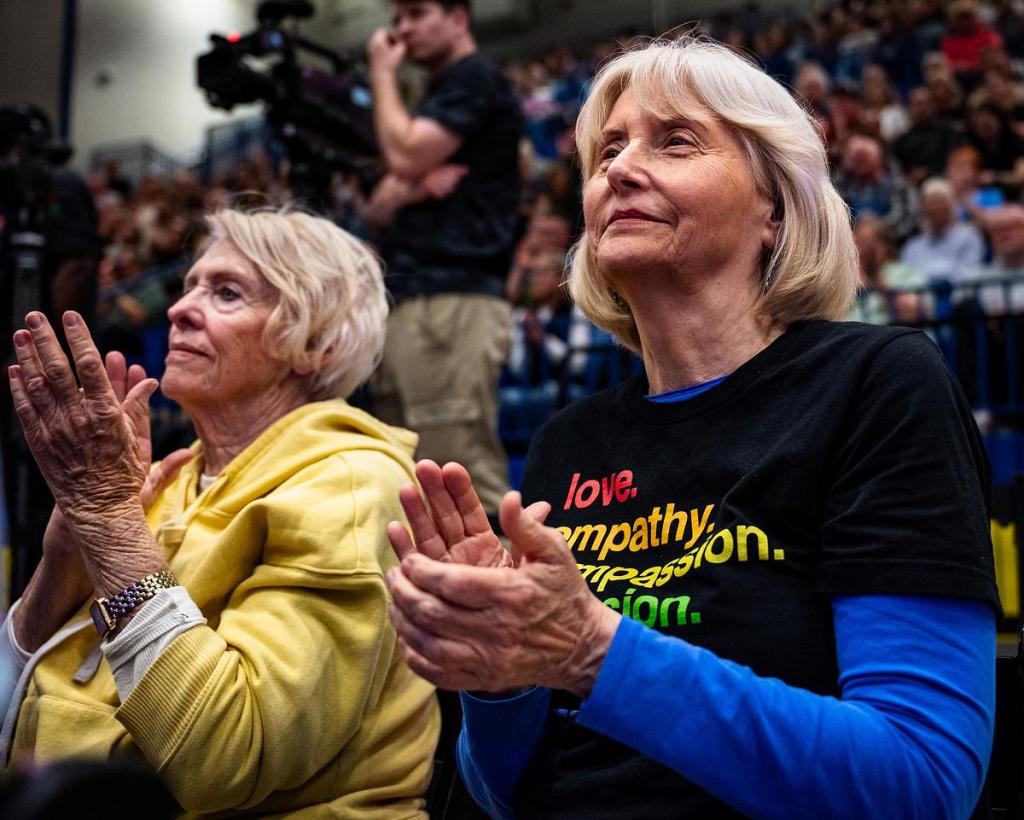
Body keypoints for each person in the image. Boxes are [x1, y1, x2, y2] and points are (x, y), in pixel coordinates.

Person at [383, 37, 999, 818]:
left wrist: (590, 649)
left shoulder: (876, 383)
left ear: (774, 209)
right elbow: (511, 795)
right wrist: (497, 680)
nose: (620, 169)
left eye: (675, 141)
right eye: (608, 150)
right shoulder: (570, 442)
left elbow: (923, 783)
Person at [1, 208, 439, 817]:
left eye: (227, 293)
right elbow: (14, 705)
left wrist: (106, 519)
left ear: (316, 344)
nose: (179, 310)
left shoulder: (350, 485)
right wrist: (64, 556)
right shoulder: (168, 478)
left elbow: (222, 758)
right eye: (189, 287)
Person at [366, 0, 523, 523]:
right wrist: (407, 189)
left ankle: (504, 598)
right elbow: (379, 202)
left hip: (453, 299)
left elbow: (405, 156)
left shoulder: (474, 79)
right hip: (411, 298)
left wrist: (382, 75)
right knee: (405, 482)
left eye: (416, 13)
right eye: (397, 19)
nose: (403, 29)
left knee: (460, 480)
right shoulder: (441, 94)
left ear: (458, 18)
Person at [900, 176, 987, 283]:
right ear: (923, 209)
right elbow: (907, 280)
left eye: (940, 203)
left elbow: (969, 273)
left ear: (951, 206)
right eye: (930, 204)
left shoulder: (969, 237)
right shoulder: (912, 247)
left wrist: (926, 275)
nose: (935, 209)